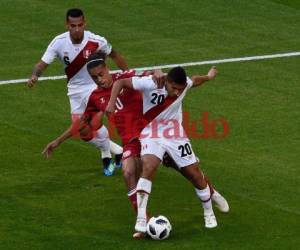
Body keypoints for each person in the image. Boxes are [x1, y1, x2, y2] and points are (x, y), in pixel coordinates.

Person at [106, 66, 229, 235]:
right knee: (148, 167)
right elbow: (120, 81)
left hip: (174, 134)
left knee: (193, 173)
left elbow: (195, 80)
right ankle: (141, 217)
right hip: (151, 132)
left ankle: (209, 212)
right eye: (174, 88)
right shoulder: (151, 83)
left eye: (180, 89)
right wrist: (111, 103)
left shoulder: (183, 84)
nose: (178, 93)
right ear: (167, 82)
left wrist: (209, 76)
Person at [42, 53, 153, 237]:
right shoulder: (95, 97)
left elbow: (147, 72)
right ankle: (144, 221)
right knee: (128, 173)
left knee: (185, 168)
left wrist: (156, 71)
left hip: (152, 136)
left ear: (107, 69)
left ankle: (210, 194)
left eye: (101, 74)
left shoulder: (126, 78)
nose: (99, 80)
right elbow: (82, 123)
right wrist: (57, 141)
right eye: (94, 77)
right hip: (130, 142)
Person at [28, 8, 126, 176]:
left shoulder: (96, 40)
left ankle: (105, 155)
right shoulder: (59, 42)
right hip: (74, 90)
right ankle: (117, 151)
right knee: (84, 132)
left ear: (84, 23)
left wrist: (128, 74)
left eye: (80, 25)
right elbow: (42, 63)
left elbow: (115, 55)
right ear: (67, 25)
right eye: (73, 25)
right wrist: (34, 76)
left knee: (94, 123)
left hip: (95, 87)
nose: (77, 29)